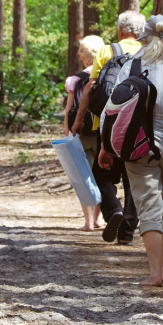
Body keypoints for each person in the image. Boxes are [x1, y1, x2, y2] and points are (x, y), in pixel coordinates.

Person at [98, 14, 163, 286]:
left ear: (144, 39)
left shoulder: (132, 66)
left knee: (148, 205)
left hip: (137, 145)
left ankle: (156, 273)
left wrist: (107, 148)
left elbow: (111, 111)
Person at [71, 11, 146, 245]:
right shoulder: (148, 52)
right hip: (139, 127)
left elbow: (91, 86)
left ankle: (113, 210)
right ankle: (127, 232)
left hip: (108, 124)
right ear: (140, 31)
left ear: (120, 30)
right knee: (132, 177)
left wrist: (79, 119)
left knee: (101, 173)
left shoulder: (107, 51)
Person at [63, 35, 106, 231]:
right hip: (102, 134)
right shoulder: (107, 75)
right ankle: (99, 219)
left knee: (83, 176)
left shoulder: (74, 80)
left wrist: (67, 133)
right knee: (101, 175)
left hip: (80, 134)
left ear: (82, 56)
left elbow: (68, 109)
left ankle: (88, 222)